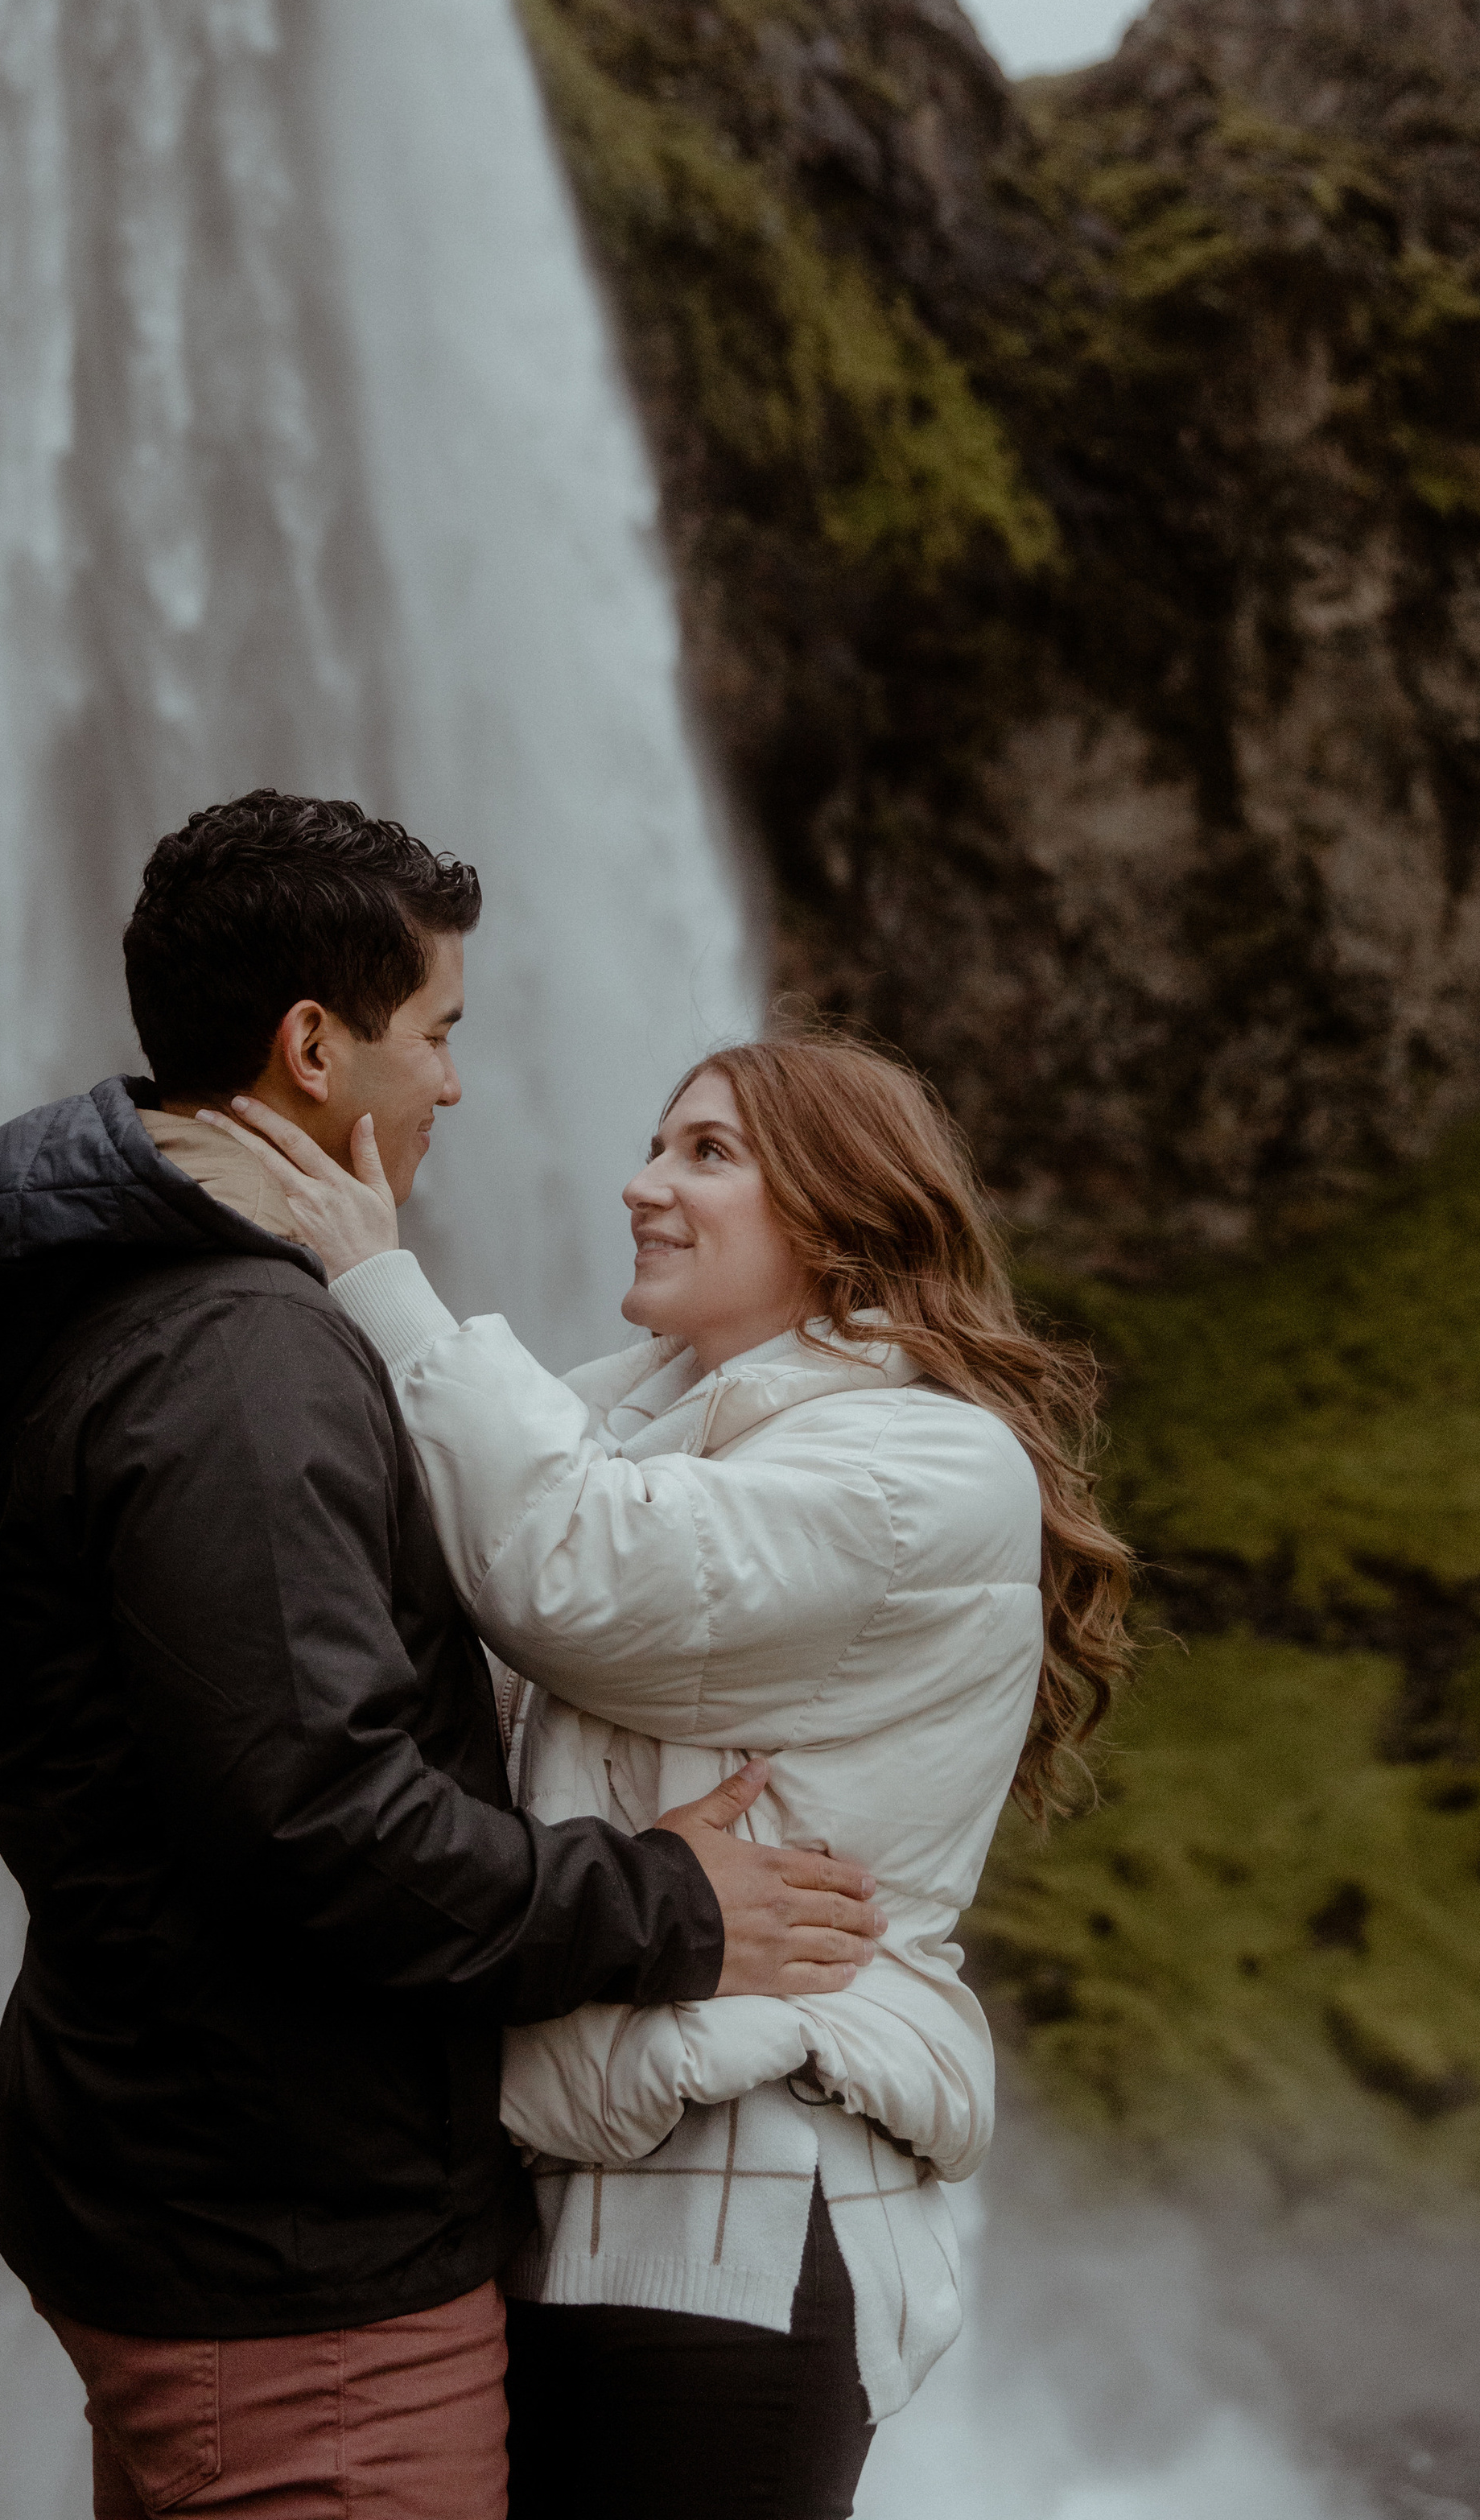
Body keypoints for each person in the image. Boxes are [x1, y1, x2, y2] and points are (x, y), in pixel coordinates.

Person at [0, 790, 884, 2520]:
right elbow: (320, 1832)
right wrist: (670, 1905)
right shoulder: (243, 1372)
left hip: (204, 2202)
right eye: (436, 1032)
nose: (457, 1083)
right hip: (298, 2271)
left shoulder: (148, 1313)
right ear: (311, 1048)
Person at [211, 1029, 1136, 2520]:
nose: (642, 1183)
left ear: (843, 1214)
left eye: (708, 1153)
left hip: (743, 2214)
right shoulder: (630, 1419)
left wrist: (374, 1271)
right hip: (560, 2187)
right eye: (655, 1143)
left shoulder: (924, 1466)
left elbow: (578, 1573)